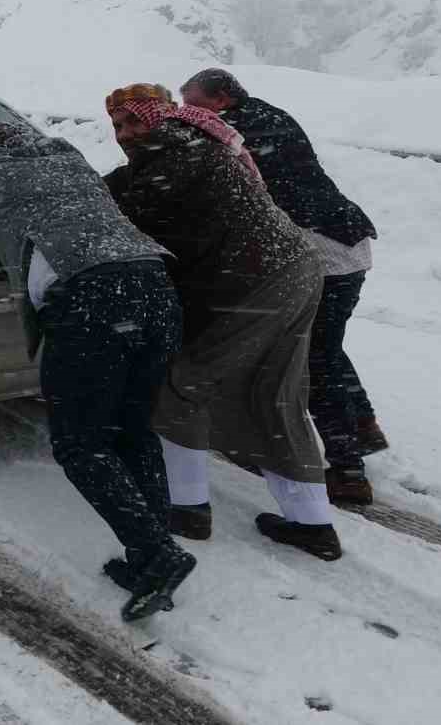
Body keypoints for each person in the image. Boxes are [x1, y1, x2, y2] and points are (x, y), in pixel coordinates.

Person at [0, 120, 194, 620]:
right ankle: (147, 554)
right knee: (133, 431)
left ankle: (157, 553)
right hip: (155, 285)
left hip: (91, 298)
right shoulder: (74, 164)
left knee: (79, 442)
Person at [101, 84, 343, 563]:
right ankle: (313, 524)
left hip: (255, 284)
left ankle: (186, 509)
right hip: (293, 269)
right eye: (117, 126)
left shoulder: (173, 155)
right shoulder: (192, 147)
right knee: (275, 396)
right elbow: (128, 187)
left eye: (133, 121)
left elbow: (134, 214)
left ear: (160, 115)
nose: (126, 134)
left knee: (179, 386)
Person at [181, 69, 387, 505]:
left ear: (220, 99)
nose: (187, 112)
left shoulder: (234, 131)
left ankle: (349, 471)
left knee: (313, 358)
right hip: (347, 237)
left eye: (193, 102)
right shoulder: (270, 115)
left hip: (320, 248)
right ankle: (364, 424)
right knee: (327, 345)